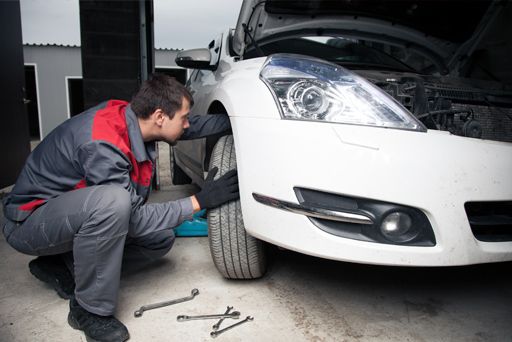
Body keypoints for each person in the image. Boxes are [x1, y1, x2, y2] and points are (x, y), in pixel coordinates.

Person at [2, 74, 239, 342]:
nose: (187, 123)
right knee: (113, 203)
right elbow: (133, 218)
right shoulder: (103, 144)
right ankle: (87, 310)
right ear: (160, 117)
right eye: (183, 117)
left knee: (160, 238)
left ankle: (61, 265)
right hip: (29, 222)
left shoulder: (134, 119)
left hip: (63, 218)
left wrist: (240, 119)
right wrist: (200, 201)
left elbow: (190, 127)